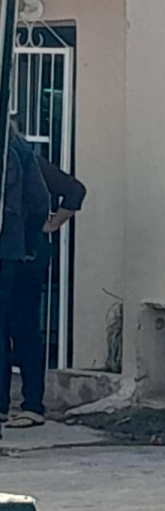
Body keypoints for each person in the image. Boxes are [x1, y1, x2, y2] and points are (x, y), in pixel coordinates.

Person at [1, 149, 86, 428]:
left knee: (23, 329)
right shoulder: (22, 154)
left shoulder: (22, 156)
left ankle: (32, 406)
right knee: (14, 329)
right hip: (18, 254)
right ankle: (17, 406)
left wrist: (46, 227)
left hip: (25, 256)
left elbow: (73, 191)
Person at [0, 126, 50, 425]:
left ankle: (30, 404)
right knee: (20, 328)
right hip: (19, 248)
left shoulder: (13, 149)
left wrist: (28, 243)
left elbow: (38, 199)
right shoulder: (17, 146)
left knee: (22, 328)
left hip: (16, 251)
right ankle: (26, 404)